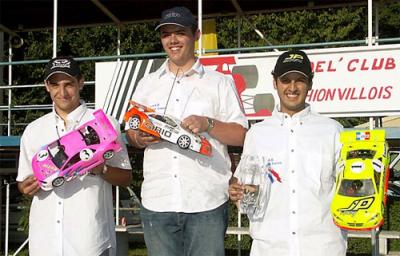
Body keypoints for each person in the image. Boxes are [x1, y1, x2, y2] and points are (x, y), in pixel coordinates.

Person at [125, 6, 248, 256]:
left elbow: (240, 134)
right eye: (166, 34)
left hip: (207, 201)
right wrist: (139, 137)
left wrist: (208, 124)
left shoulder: (219, 82)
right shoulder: (146, 83)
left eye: (180, 33)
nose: (172, 40)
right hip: (158, 201)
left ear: (196, 35)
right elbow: (131, 131)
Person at [229, 50, 347, 255]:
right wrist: (236, 192)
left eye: (300, 80)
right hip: (269, 247)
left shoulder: (333, 130)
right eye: (286, 80)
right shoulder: (257, 134)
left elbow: (349, 188)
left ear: (310, 83)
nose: (292, 87)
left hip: (323, 248)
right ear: (275, 83)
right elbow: (242, 189)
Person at [17, 56, 132, 256]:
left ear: (81, 82)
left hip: (89, 242)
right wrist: (27, 187)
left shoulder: (104, 124)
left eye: (69, 84)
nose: (62, 92)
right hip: (45, 243)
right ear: (46, 86)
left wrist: (100, 168)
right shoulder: (33, 130)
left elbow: (126, 177)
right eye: (55, 85)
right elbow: (23, 181)